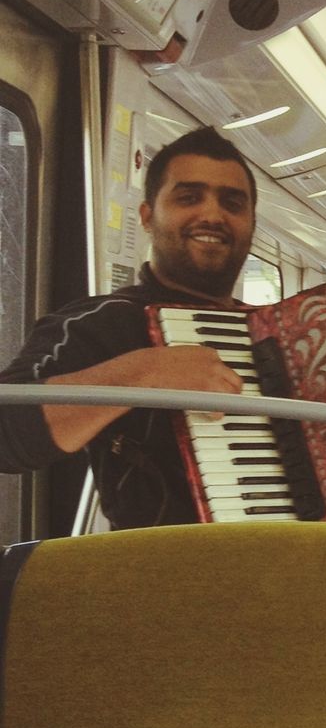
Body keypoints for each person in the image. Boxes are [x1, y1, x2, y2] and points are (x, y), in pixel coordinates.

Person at [0, 127, 254, 528]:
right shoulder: (106, 322)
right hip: (157, 576)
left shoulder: (277, 335)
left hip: (288, 568)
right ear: (148, 217)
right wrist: (144, 373)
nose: (212, 215)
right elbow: (7, 432)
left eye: (233, 203)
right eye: (188, 197)